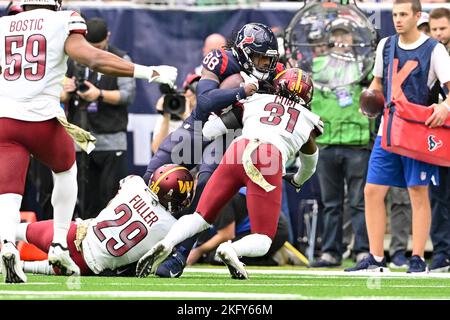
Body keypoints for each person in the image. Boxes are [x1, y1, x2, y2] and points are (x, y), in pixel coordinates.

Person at [0, 0, 177, 283]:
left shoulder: (4, 24)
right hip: (42, 119)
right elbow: (93, 59)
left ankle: (8, 243)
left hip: (5, 119)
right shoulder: (62, 20)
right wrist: (149, 71)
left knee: (8, 192)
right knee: (66, 170)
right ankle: (58, 244)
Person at [136, 68, 323, 280]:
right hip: (268, 158)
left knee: (200, 217)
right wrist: (297, 180)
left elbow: (209, 131)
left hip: (237, 149)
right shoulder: (308, 119)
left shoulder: (257, 100)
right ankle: (231, 250)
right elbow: (309, 164)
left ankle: (167, 242)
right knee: (263, 239)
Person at [141, 23, 283, 277]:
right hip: (198, 127)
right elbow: (205, 101)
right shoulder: (221, 59)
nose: (265, 64)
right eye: (260, 57)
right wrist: (241, 91)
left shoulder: (277, 74)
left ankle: (179, 256)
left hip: (231, 136)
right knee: (150, 180)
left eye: (268, 58)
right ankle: (126, 240)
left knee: (207, 187)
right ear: (244, 52)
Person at [346, 0, 450, 274]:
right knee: (372, 190)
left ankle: (417, 257)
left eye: (403, 14)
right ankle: (376, 258)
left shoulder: (435, 50)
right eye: (394, 14)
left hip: (417, 130)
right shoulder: (386, 45)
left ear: (418, 16)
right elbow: (378, 83)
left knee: (418, 192)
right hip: (388, 129)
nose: (398, 19)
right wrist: (369, 99)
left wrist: (445, 106)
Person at [12, 165, 194, 276]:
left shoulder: (135, 183)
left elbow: (112, 203)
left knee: (14, 231)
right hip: (86, 267)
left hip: (74, 235)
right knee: (23, 266)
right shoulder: (172, 228)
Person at [309, 18, 371, 268]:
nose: (341, 39)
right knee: (331, 203)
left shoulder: (363, 65)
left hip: (357, 142)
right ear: (328, 38)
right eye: (336, 34)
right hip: (326, 142)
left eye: (345, 35)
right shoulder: (315, 65)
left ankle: (364, 251)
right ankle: (330, 252)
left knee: (358, 202)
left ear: (354, 39)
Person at [61, 17, 136, 220]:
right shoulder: (73, 58)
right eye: (91, 47)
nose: (96, 51)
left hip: (111, 139)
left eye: (100, 46)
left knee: (111, 197)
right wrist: (68, 91)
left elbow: (128, 95)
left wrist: (99, 94)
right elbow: (57, 94)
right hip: (82, 140)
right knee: (86, 200)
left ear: (108, 38)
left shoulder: (121, 58)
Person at [187, 188, 289, 267]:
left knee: (217, 256)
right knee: (213, 253)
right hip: (269, 226)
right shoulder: (223, 192)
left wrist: (198, 251)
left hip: (274, 230)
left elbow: (226, 235)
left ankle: (271, 259)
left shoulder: (221, 198)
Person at [428, 7, 450, 272]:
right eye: (434, 29)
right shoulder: (430, 55)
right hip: (438, 136)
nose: (438, 34)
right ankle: (442, 254)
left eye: (443, 28)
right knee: (439, 196)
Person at [151, 73, 200, 153]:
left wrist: (186, 117)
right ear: (184, 92)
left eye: (199, 91)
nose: (195, 95)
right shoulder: (170, 112)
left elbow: (199, 149)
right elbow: (156, 150)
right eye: (191, 89)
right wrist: (166, 115)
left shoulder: (206, 116)